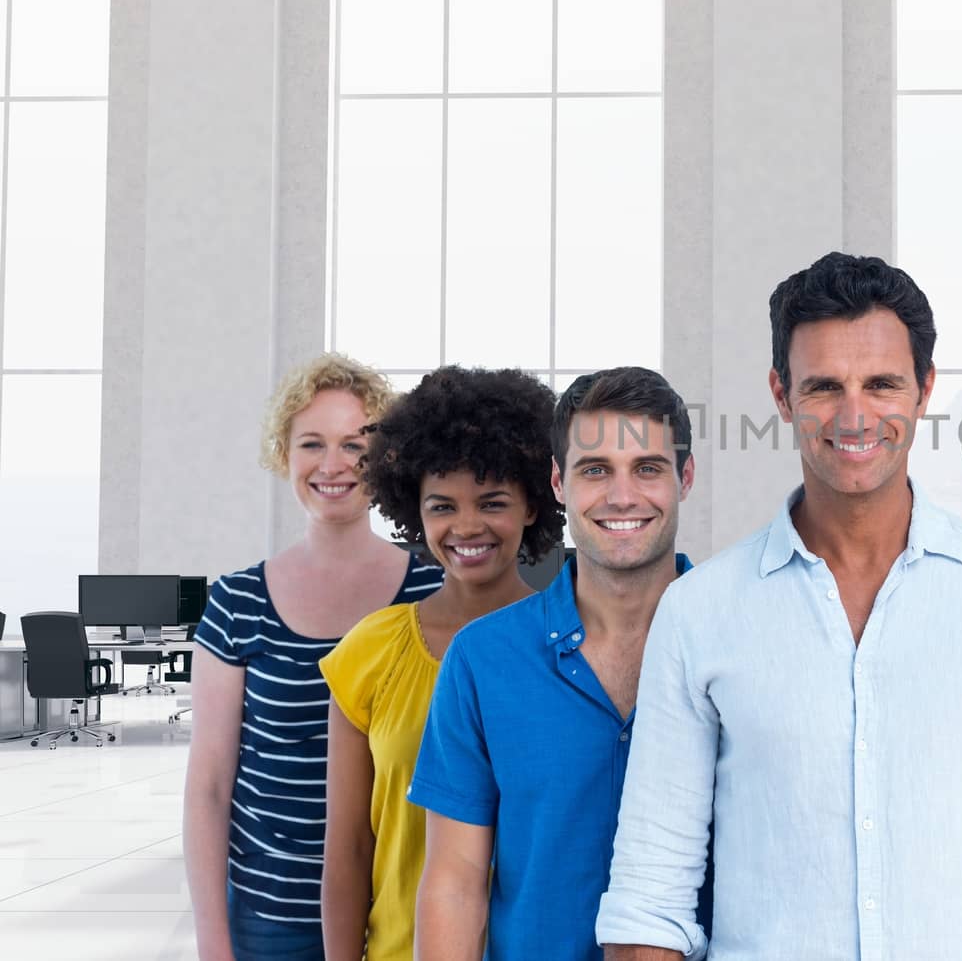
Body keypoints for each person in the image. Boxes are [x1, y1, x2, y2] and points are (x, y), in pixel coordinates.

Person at [597, 253, 962, 961]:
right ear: (781, 395)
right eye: (823, 386)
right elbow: (650, 890)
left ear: (924, 389)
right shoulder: (700, 612)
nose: (854, 414)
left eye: (881, 384)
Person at [408, 367, 697, 961]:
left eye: (647, 468)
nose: (622, 497)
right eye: (595, 470)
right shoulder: (482, 659)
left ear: (684, 479)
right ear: (559, 484)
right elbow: (454, 884)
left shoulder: (742, 642)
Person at [185, 354, 442, 961]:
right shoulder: (239, 601)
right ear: (284, 454)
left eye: (355, 444)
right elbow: (210, 786)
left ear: (385, 458)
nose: (334, 465)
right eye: (312, 443)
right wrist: (213, 944)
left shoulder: (431, 592)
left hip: (398, 911)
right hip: (269, 917)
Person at [318, 366, 564, 960]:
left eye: (493, 502)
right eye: (442, 506)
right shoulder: (369, 653)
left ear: (533, 504)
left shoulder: (570, 646)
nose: (467, 526)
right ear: (414, 511)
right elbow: (349, 848)